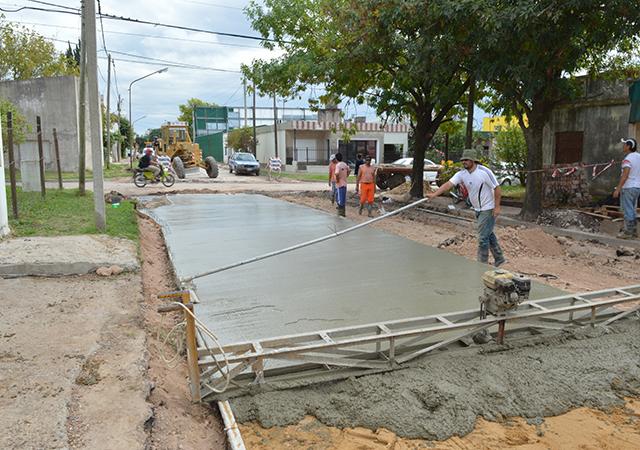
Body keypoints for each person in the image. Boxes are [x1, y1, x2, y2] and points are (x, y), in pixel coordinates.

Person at [427, 148, 505, 266]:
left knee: (482, 238)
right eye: (463, 160)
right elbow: (448, 184)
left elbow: (497, 188)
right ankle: (499, 258)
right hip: (477, 208)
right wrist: (434, 194)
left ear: (473, 160)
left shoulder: (484, 172)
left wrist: (497, 206)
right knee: (488, 233)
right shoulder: (462, 174)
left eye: (467, 160)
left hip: (488, 208)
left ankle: (481, 265)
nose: (464, 162)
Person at [613, 138, 640, 239]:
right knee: (633, 209)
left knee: (627, 209)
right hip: (637, 187)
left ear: (628, 146)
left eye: (624, 144)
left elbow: (625, 175)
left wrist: (618, 189)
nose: (623, 146)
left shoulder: (627, 159)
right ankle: (634, 231)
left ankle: (628, 232)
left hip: (628, 187)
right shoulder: (639, 157)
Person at [334, 152, 350, 217]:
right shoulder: (344, 164)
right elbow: (349, 170)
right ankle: (343, 212)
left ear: (336, 159)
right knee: (342, 198)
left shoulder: (338, 165)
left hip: (339, 184)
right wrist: (346, 176)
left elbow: (336, 173)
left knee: (339, 198)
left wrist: (337, 180)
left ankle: (340, 213)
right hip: (344, 183)